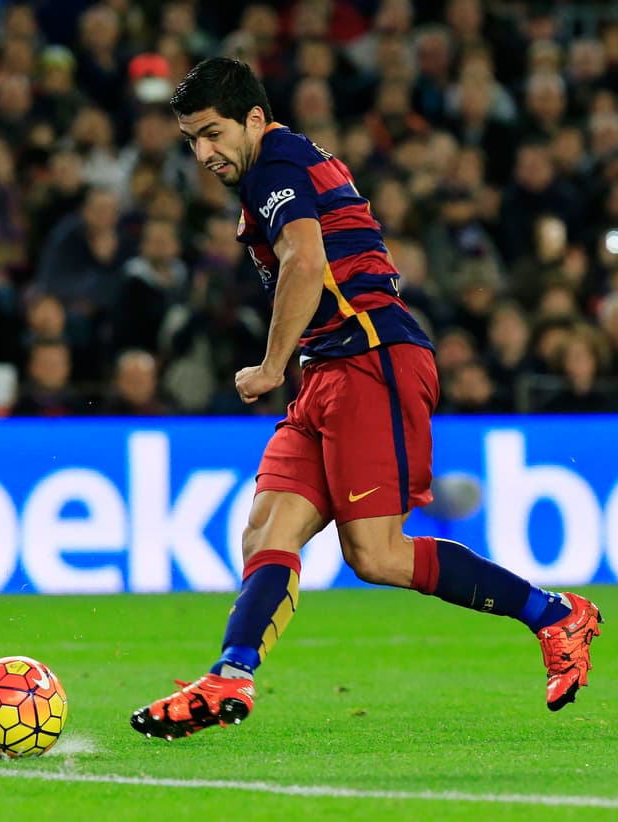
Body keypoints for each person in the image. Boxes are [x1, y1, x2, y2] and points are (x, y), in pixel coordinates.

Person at [130, 58, 604, 740]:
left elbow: (304, 260)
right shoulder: (279, 165)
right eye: (191, 141)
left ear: (254, 120)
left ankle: (553, 614)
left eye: (210, 134)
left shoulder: (275, 164)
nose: (203, 154)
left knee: (375, 553)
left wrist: (269, 366)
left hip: (370, 358)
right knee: (267, 531)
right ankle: (229, 675)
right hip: (330, 368)